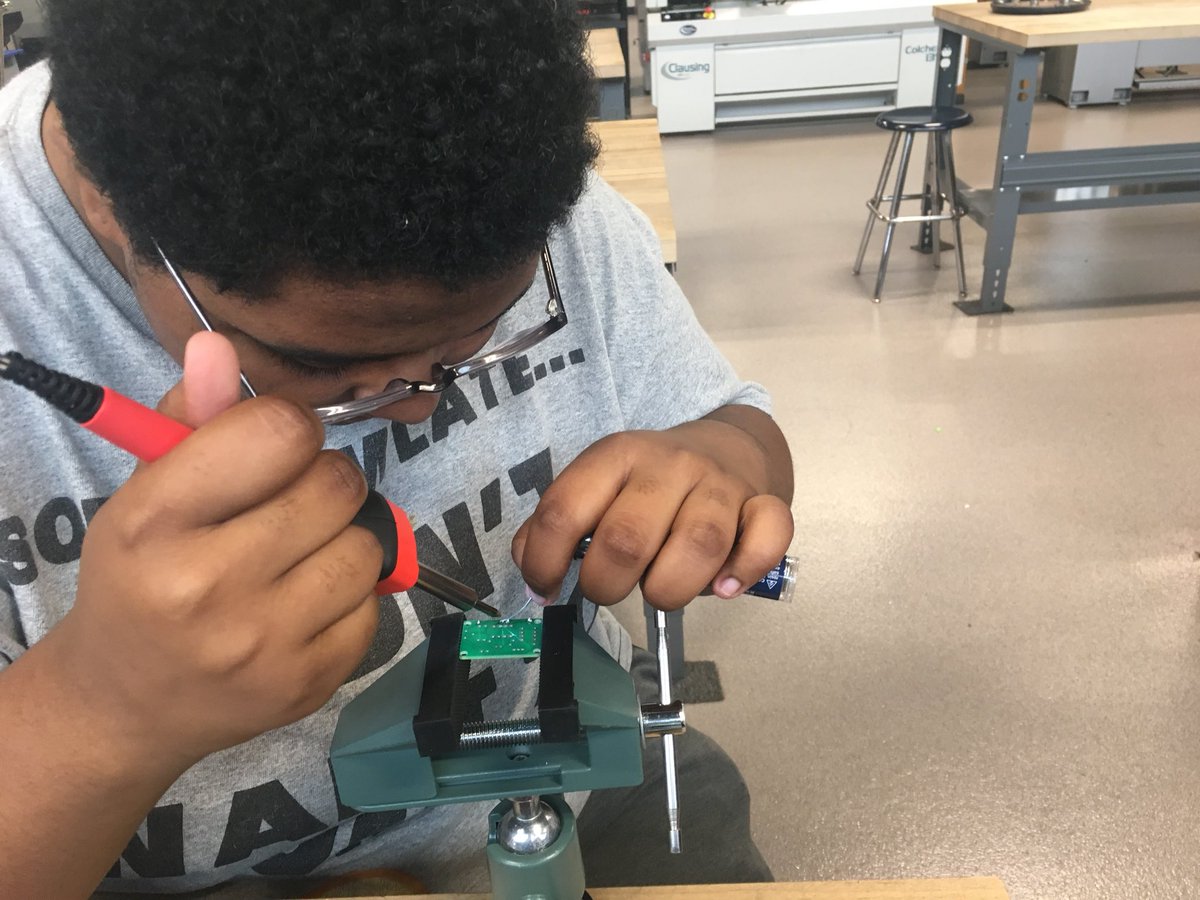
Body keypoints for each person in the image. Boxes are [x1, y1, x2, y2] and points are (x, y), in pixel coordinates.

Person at [0, 1, 795, 896]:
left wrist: (721, 460)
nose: (419, 407)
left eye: (484, 334)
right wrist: (103, 711)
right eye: (322, 364)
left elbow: (735, 424)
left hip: (574, 779)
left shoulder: (507, 172)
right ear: (108, 204)